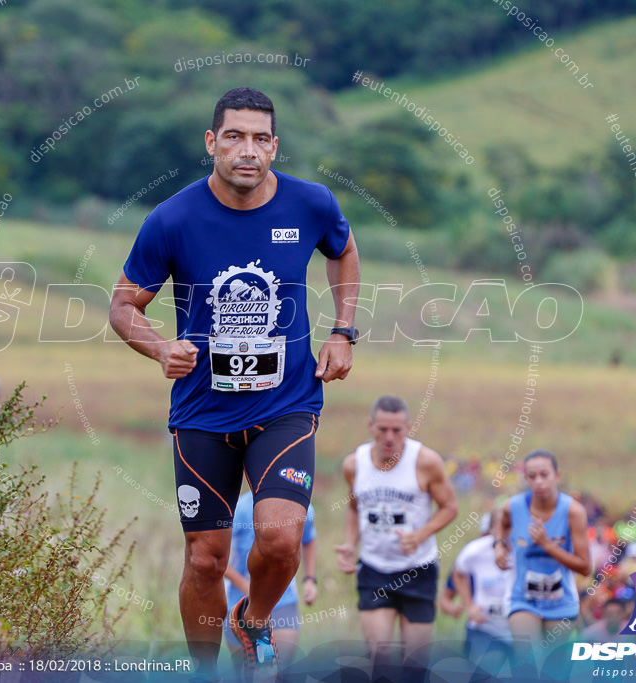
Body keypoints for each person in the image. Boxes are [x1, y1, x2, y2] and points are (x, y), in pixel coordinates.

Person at [108, 87, 360, 677]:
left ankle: (253, 617)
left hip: (287, 402)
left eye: (260, 138)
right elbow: (123, 307)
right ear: (211, 142)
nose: (247, 150)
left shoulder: (311, 204)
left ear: (275, 146)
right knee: (205, 560)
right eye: (234, 137)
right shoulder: (172, 219)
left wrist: (343, 330)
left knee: (279, 540)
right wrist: (158, 346)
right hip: (202, 411)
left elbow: (344, 251)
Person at [335, 395, 458, 675]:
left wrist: (420, 534)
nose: (389, 437)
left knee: (415, 666)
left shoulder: (425, 462)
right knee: (379, 660)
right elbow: (354, 508)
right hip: (374, 569)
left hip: (418, 570)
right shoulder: (354, 465)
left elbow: (450, 507)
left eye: (397, 430)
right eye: (382, 430)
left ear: (408, 428)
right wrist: (350, 544)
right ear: (371, 426)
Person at [494, 450, 591, 663]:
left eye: (544, 474)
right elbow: (501, 523)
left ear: (557, 475)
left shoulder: (573, 512)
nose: (539, 481)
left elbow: (585, 567)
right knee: (525, 660)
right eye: (532, 476)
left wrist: (547, 544)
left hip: (561, 601)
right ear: (526, 478)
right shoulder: (514, 506)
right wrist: (499, 546)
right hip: (523, 598)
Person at [223, 491, 317, 670]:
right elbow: (218, 558)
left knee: (275, 670)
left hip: (283, 604)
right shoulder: (240, 508)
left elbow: (309, 538)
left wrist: (310, 580)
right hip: (239, 606)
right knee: (246, 672)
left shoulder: (301, 506)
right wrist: (249, 588)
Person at [453, 511, 513, 676]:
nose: (505, 533)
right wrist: (469, 605)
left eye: (509, 528)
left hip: (520, 631)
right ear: (492, 529)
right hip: (485, 628)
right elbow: (458, 573)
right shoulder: (476, 550)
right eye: (500, 528)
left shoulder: (526, 549)